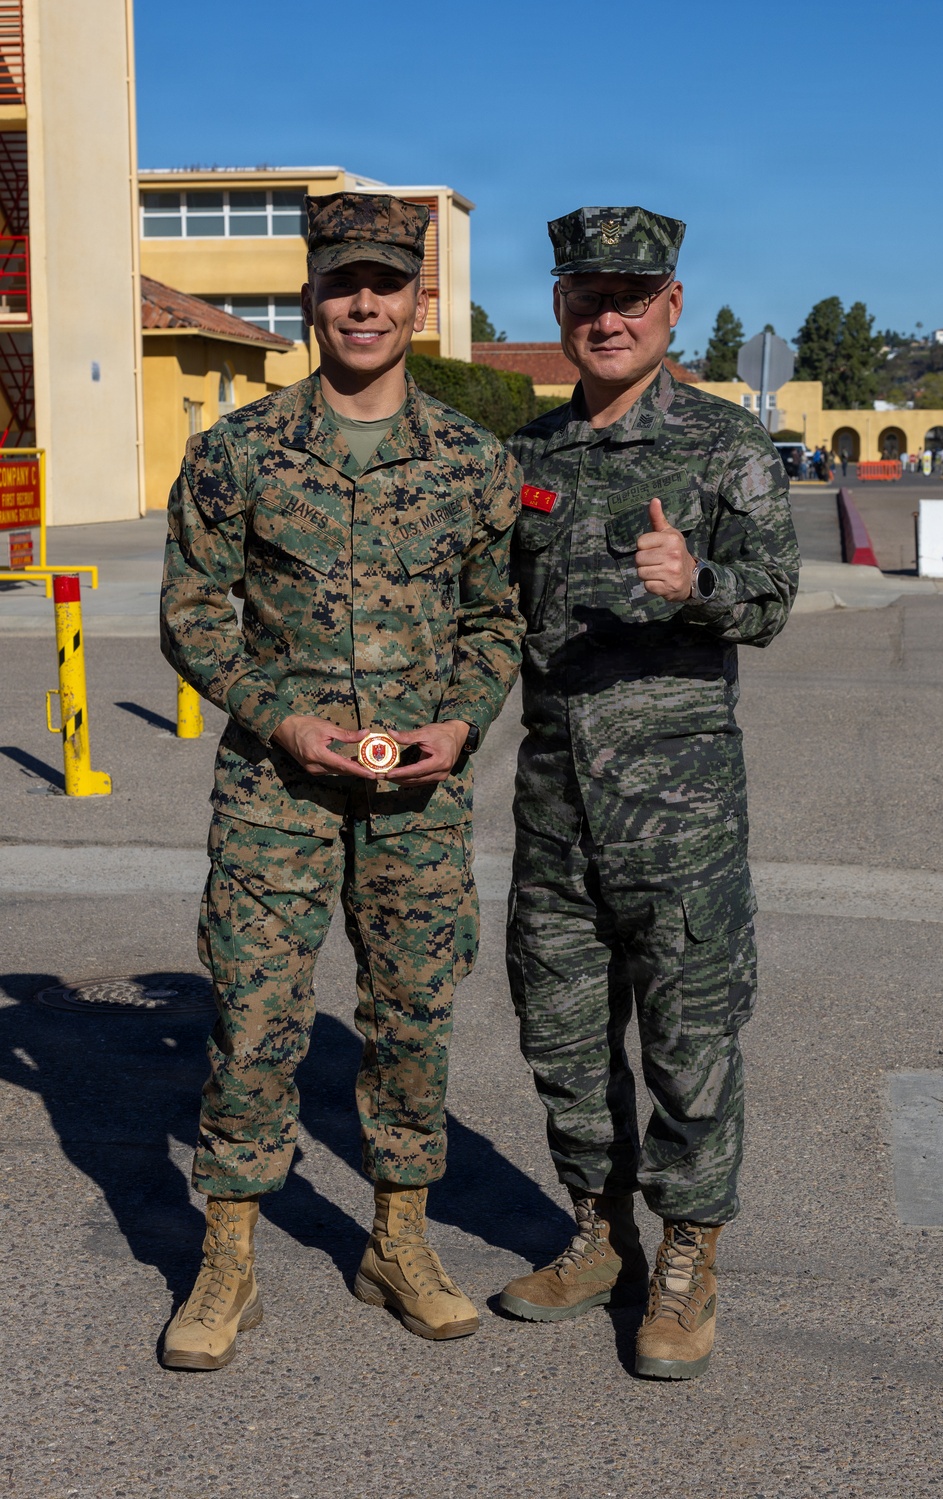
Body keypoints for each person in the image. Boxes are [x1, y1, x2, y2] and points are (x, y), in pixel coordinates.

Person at [159, 192, 524, 1369]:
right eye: (340, 283)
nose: (363, 303)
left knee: (411, 1016)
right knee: (256, 1012)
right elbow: (192, 614)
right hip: (279, 786)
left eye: (386, 283)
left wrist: (464, 719)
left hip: (419, 792)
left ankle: (397, 1240)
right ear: (313, 296)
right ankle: (227, 1259)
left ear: (421, 300)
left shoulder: (473, 462)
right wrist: (278, 715)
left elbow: (494, 619)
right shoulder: (237, 453)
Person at [498, 206, 799, 1380]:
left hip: (679, 820)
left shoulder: (726, 450)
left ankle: (686, 1256)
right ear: (562, 310)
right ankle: (596, 1233)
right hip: (553, 810)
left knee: (690, 1045)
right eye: (584, 296)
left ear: (672, 308)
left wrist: (695, 580)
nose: (606, 316)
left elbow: (769, 601)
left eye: (630, 296)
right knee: (563, 1039)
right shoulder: (527, 457)